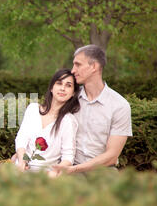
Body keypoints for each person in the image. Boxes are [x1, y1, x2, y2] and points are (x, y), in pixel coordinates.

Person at [48, 44, 133, 177]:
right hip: (70, 169)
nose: (73, 70)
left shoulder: (120, 106)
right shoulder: (70, 98)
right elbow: (46, 123)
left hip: (104, 171)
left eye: (78, 65)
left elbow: (112, 156)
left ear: (94, 66)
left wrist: (76, 169)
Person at [13, 69, 80, 173]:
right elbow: (22, 139)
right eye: (59, 83)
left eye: (68, 85)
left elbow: (68, 157)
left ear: (73, 93)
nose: (62, 88)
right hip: (20, 169)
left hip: (44, 175)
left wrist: (54, 172)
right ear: (51, 88)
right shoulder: (33, 109)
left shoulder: (68, 121)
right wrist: (22, 160)